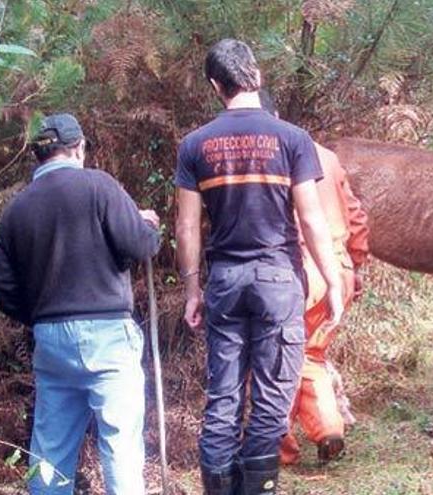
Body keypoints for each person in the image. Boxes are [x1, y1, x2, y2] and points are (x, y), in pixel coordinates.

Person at [175, 39, 343, 495]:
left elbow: (187, 228)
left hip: (225, 282)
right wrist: (332, 281)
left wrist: (193, 290)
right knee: (272, 398)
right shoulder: (292, 139)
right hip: (278, 279)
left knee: (223, 398)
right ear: (257, 76)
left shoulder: (194, 145)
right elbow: (310, 218)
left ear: (215, 85)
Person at [0, 113, 160, 494]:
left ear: (38, 156)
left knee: (51, 452)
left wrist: (38, 316)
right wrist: (148, 225)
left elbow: (0, 285)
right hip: (109, 336)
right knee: (120, 445)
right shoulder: (98, 186)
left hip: (51, 339)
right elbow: (139, 245)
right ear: (79, 147)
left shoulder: (16, 209)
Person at [279, 140, 369, 466]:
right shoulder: (328, 157)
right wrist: (355, 267)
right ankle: (329, 428)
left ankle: (281, 447)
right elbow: (356, 217)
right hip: (338, 265)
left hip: (302, 266)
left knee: (282, 356)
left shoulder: (276, 150)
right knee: (311, 354)